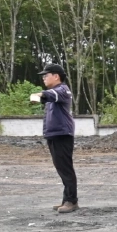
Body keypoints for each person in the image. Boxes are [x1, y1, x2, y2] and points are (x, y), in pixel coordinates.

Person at [30, 64, 77, 213]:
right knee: (61, 168)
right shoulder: (55, 92)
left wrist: (39, 95)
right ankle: (67, 199)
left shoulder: (62, 90)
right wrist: (40, 96)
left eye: (46, 75)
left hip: (62, 134)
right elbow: (47, 97)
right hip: (55, 134)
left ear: (56, 76)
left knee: (65, 168)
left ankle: (71, 201)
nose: (44, 77)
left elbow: (48, 95)